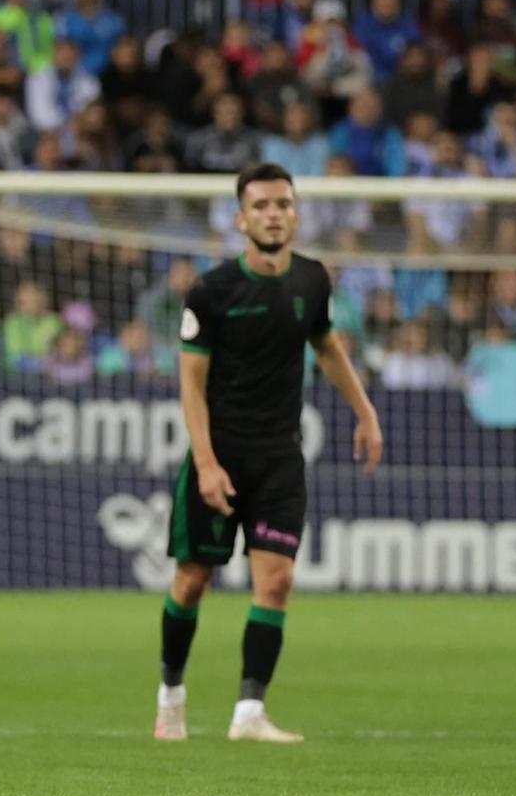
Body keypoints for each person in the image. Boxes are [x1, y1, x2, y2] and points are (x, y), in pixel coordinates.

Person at [156, 163, 382, 745]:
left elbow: (326, 344)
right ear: (240, 219)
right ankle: (171, 697)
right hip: (221, 455)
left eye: (282, 203)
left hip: (281, 455)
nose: (273, 213)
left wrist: (365, 410)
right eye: (260, 205)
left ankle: (249, 713)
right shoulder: (211, 290)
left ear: (296, 213)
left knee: (276, 581)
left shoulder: (312, 279)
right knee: (192, 579)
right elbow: (191, 384)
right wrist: (205, 463)